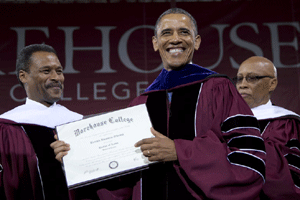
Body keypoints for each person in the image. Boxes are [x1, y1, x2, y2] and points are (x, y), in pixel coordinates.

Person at [52, 8, 266, 200]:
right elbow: (123, 180)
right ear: (155, 43)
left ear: (197, 41)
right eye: (166, 33)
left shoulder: (219, 88)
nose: (175, 39)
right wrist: (76, 161)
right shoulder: (141, 104)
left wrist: (179, 151)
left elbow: (248, 157)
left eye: (184, 32)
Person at [0, 44, 83, 200]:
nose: (56, 77)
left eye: (59, 71)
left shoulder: (78, 122)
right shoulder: (6, 128)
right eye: (46, 71)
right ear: (23, 76)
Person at [235, 56, 300, 200]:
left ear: (272, 84)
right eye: (239, 79)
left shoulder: (288, 123)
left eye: (252, 78)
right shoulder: (224, 122)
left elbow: (292, 177)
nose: (242, 85)